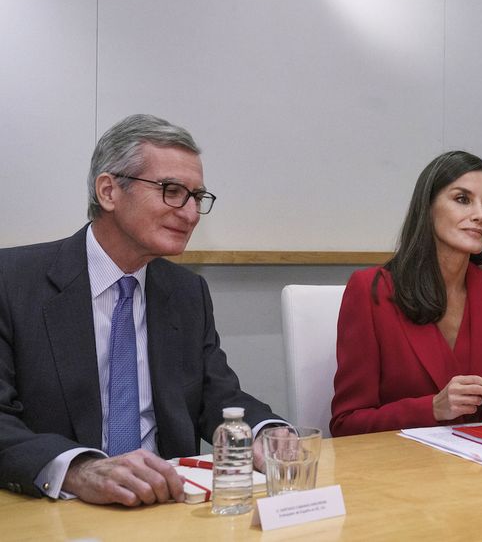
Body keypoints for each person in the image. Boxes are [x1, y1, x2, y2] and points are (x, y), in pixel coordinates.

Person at [0, 114, 285, 506]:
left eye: (196, 197)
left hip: (167, 504)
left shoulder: (186, 291)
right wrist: (79, 469)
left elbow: (216, 394)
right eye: (172, 190)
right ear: (109, 192)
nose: (190, 214)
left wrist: (265, 432)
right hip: (58, 506)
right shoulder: (12, 282)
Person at [330, 151, 482, 436]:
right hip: (401, 461)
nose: (480, 215)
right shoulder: (371, 289)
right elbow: (346, 424)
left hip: (477, 460)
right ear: (428, 207)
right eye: (463, 199)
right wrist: (432, 408)